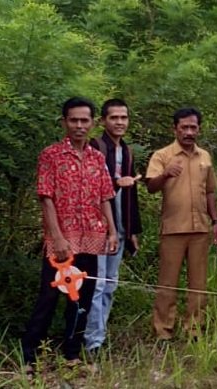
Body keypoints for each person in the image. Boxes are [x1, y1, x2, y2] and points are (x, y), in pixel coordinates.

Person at [22, 97, 118, 373]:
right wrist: (58, 237)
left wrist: (112, 231)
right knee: (49, 298)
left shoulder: (97, 156)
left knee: (82, 299)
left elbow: (105, 196)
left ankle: (71, 354)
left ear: (92, 123)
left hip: (92, 237)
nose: (79, 125)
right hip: (61, 241)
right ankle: (30, 356)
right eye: (73, 120)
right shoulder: (50, 155)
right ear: (64, 122)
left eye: (84, 120)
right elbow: (46, 197)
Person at [146, 107, 217, 340]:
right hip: (173, 229)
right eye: (184, 128)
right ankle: (163, 331)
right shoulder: (163, 155)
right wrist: (165, 174)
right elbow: (150, 186)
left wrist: (216, 220)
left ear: (199, 129)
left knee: (198, 284)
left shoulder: (205, 157)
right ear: (175, 129)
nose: (189, 132)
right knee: (168, 283)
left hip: (200, 228)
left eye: (193, 127)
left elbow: (210, 191)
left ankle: (194, 329)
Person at [84, 98, 142, 354]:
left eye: (124, 118)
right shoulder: (95, 148)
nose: (119, 122)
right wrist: (119, 183)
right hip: (97, 229)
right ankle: (91, 342)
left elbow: (132, 192)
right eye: (114, 117)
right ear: (103, 121)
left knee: (110, 283)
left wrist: (132, 232)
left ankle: (99, 336)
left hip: (119, 229)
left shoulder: (126, 151)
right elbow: (91, 189)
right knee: (95, 284)